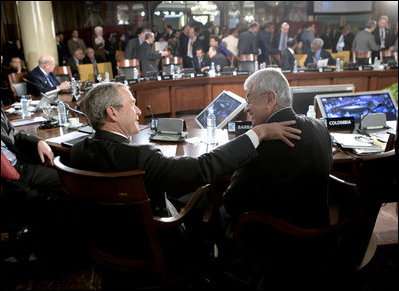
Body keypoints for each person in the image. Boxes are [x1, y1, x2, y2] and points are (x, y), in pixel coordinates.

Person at [69, 82, 301, 217]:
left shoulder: (76, 152)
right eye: (132, 104)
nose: (138, 111)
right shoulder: (141, 158)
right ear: (112, 113)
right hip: (154, 242)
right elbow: (202, 168)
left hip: (107, 241)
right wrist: (258, 133)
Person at [219, 67, 332, 243]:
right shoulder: (320, 128)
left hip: (272, 246)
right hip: (319, 237)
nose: (246, 108)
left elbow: (232, 202)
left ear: (270, 99)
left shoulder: (259, 144)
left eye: (249, 99)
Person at [1, 108, 64, 203]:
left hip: (19, 165)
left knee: (66, 176)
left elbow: (13, 135)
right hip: (7, 178)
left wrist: (38, 142)